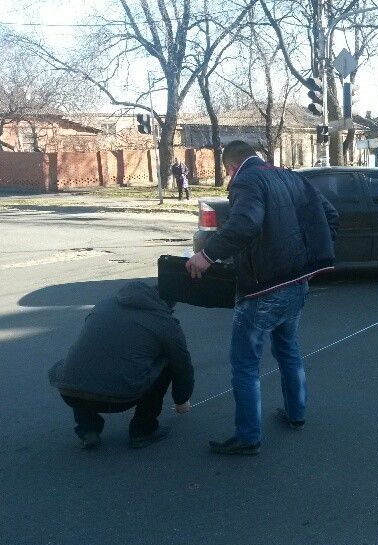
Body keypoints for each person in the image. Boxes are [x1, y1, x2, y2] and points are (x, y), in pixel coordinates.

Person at [185, 140, 339, 456]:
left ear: (230, 167)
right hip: (297, 282)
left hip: (262, 289)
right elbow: (330, 216)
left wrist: (208, 255)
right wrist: (308, 258)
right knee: (288, 349)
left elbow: (244, 223)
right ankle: (296, 415)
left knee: (245, 364)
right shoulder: (291, 176)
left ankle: (248, 437)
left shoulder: (248, 180)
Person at [48, 281, 194, 450]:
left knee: (83, 364)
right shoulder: (166, 323)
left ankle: (88, 429)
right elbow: (182, 366)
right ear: (168, 305)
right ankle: (143, 430)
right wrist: (181, 400)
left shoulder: (104, 305)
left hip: (69, 391)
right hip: (120, 398)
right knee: (168, 360)